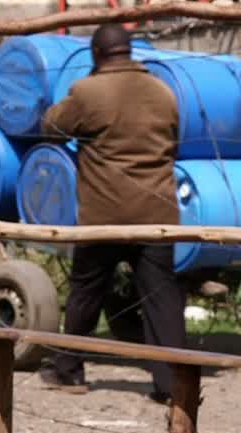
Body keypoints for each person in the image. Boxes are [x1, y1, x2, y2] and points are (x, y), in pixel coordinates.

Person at [38, 23, 184, 400]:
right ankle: (173, 386)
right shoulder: (164, 92)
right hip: (158, 214)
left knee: (87, 292)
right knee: (161, 299)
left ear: (97, 54)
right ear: (130, 51)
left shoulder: (88, 91)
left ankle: (69, 372)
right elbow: (175, 143)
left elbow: (51, 127)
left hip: (106, 216)